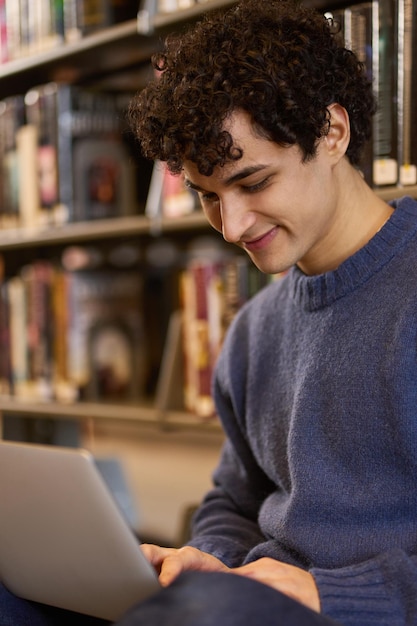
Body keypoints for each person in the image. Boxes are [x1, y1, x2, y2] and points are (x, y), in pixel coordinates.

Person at [1, 0, 417, 624]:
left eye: (253, 183)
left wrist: (329, 594)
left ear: (332, 133)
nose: (232, 227)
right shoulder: (254, 329)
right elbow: (234, 496)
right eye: (208, 196)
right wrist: (207, 558)